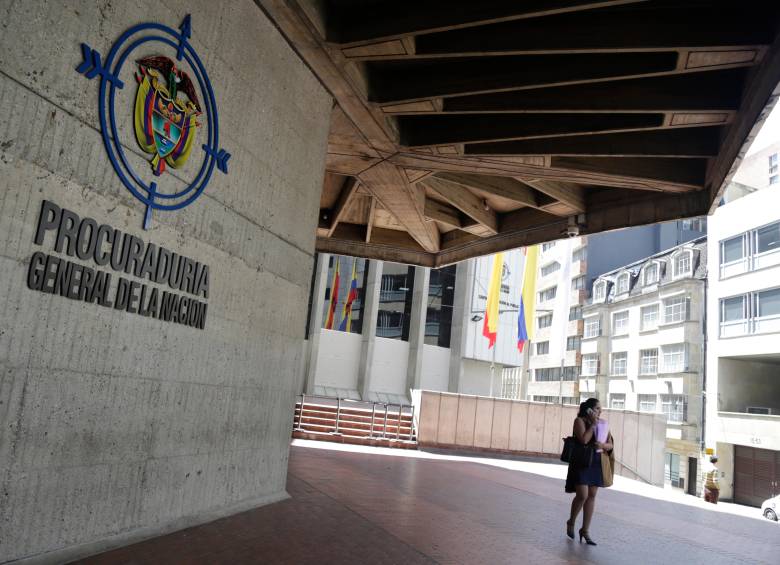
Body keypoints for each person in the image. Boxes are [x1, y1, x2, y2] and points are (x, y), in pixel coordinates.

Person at [565, 398, 614, 546]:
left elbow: (610, 444)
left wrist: (603, 445)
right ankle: (571, 521)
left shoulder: (603, 423)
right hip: (582, 462)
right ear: (590, 410)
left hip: (597, 463)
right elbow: (584, 440)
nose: (600, 412)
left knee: (591, 496)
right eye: (598, 409)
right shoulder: (579, 421)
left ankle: (585, 530)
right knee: (582, 495)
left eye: (601, 409)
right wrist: (592, 424)